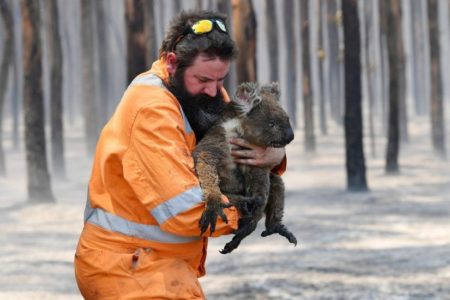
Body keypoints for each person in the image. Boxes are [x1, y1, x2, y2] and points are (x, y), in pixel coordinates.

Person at [74, 10, 286, 299]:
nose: (214, 91)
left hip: (161, 264)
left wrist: (275, 156)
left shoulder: (203, 94)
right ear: (173, 63)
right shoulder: (151, 109)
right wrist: (248, 211)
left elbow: (247, 144)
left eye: (221, 80)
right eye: (203, 79)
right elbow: (185, 211)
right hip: (128, 268)